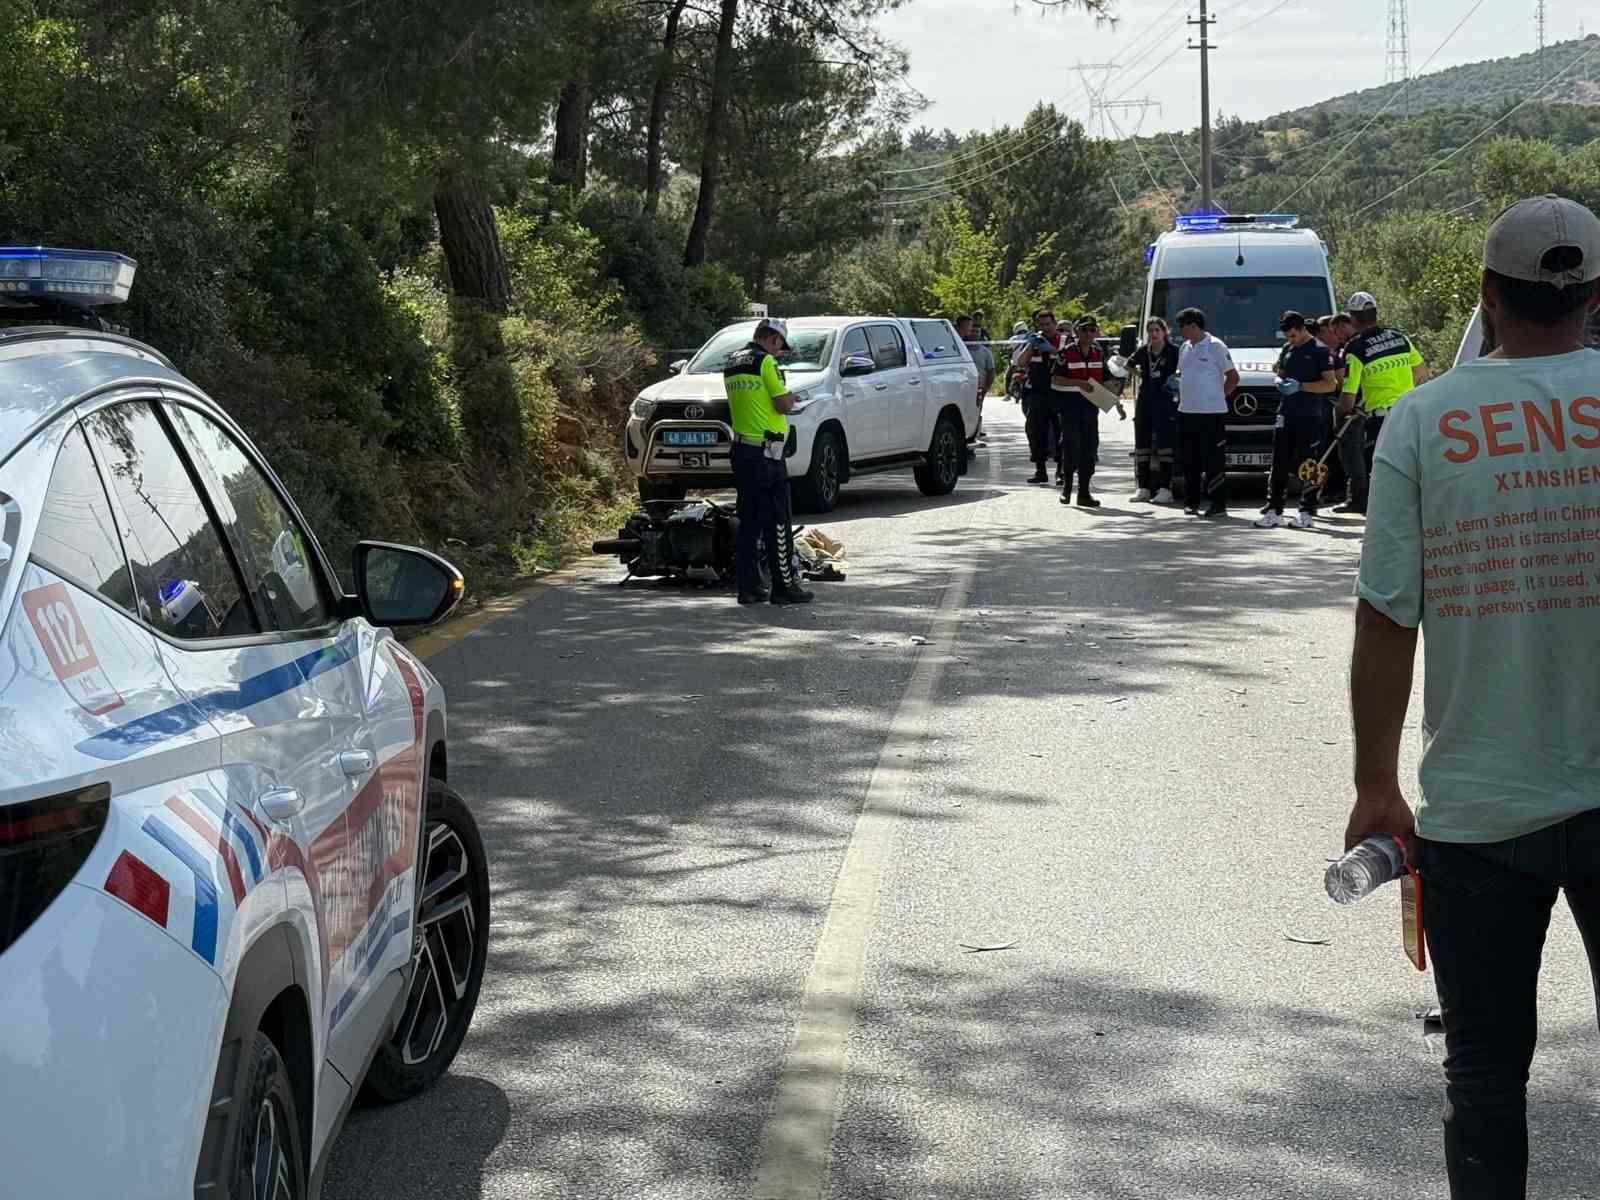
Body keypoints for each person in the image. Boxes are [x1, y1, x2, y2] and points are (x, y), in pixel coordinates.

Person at [1347, 194, 1600, 1200]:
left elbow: (1384, 618)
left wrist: (1375, 787)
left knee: (1486, 1075)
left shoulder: (1423, 419)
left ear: (1488, 296)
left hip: (1477, 815)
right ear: (1593, 296)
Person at [723, 318, 812, 606]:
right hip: (766, 454)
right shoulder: (766, 363)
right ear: (773, 339)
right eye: (779, 346)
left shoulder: (733, 362)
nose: (779, 352)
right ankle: (784, 587)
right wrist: (792, 397)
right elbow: (781, 404)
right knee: (778, 521)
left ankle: (748, 589)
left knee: (749, 522)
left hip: (742, 451)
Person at [1336, 291, 1429, 513]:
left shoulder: (1355, 348)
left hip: (1381, 421)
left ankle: (1376, 511)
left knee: (1379, 468)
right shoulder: (1400, 337)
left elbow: (1348, 397)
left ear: (1354, 318)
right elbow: (1421, 372)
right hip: (1409, 413)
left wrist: (1340, 416)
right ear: (1376, 313)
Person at [1256, 311, 1340, 530]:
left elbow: (1330, 384)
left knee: (1308, 463)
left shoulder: (1320, 351)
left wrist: (1302, 386)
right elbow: (1280, 371)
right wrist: (1279, 380)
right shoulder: (1288, 348)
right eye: (1287, 336)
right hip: (1286, 412)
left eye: (1293, 335)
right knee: (1279, 462)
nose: (1290, 340)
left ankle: (1306, 511)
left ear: (1303, 329)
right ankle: (1275, 511)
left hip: (1310, 414)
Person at [1052, 316, 1126, 507]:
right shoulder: (1065, 353)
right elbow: (1056, 380)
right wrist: (1078, 383)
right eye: (1084, 330)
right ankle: (1067, 488)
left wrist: (1116, 402)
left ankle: (1084, 493)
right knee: (1071, 446)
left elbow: (1107, 380)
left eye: (1092, 330)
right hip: (1070, 407)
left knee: (1089, 448)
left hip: (1091, 408)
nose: (1088, 334)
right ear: (1076, 331)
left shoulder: (1098, 353)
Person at [1174, 307, 1239, 517]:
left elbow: (1233, 377)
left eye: (1182, 326)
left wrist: (1218, 397)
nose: (1180, 331)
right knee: (1189, 459)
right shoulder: (1184, 347)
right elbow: (1182, 372)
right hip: (1187, 412)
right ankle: (1191, 501)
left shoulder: (1216, 346)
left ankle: (1217, 503)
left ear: (1194, 326)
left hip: (1212, 414)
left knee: (1214, 460)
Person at [1128, 317, 1180, 503]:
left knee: (1165, 443)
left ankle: (1166, 488)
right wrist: (1139, 374)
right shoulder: (1143, 351)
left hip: (1165, 400)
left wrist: (1176, 379)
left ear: (1164, 332)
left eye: (1157, 330)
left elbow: (1183, 369)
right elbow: (1128, 364)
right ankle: (1143, 488)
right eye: (1150, 331)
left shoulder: (1174, 351)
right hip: (1145, 399)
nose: (1154, 334)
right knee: (1142, 442)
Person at [1012, 307, 1066, 484]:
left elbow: (1067, 359)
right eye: (1041, 324)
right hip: (1037, 393)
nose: (1046, 327)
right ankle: (1040, 471)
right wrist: (1031, 346)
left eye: (1048, 324)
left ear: (1055, 324)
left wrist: (1051, 349)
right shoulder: (1034, 341)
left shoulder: (1064, 340)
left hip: (1059, 392)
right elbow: (1020, 362)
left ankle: (1060, 471)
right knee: (1035, 432)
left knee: (1060, 433)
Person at [956, 314, 994, 442]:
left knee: (976, 413)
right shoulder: (960, 349)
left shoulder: (985, 352)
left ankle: (973, 437)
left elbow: (991, 372)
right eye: (972, 330)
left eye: (977, 331)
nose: (974, 333)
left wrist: (985, 389)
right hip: (962, 389)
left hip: (978, 389)